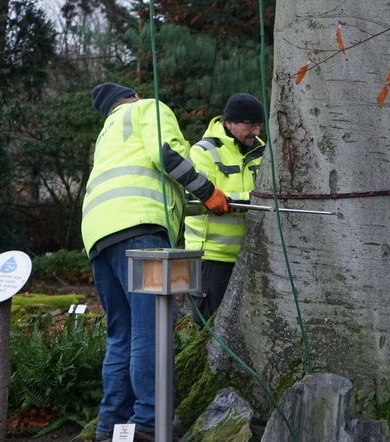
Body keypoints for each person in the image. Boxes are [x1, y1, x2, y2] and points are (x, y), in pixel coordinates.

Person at [82, 82, 230, 441]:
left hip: (98, 235)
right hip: (141, 227)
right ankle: (149, 422)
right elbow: (168, 156)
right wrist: (208, 192)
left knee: (121, 334)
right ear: (132, 95)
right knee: (152, 328)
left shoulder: (108, 132)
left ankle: (111, 426)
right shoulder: (148, 108)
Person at [184, 93, 265, 323]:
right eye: (249, 125)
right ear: (229, 123)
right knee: (210, 328)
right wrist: (252, 201)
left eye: (258, 125)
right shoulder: (204, 152)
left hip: (250, 255)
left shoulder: (262, 149)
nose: (256, 132)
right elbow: (207, 198)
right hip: (211, 256)